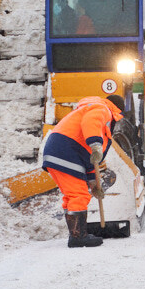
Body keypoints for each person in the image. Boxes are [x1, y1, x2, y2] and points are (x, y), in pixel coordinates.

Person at [42, 94, 125, 247]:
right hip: (66, 151)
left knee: (72, 195)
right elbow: (91, 122)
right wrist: (95, 144)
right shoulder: (102, 108)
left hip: (60, 151)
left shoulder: (90, 109)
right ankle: (78, 237)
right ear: (117, 111)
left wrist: (93, 183)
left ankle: (76, 233)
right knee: (78, 195)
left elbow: (90, 161)